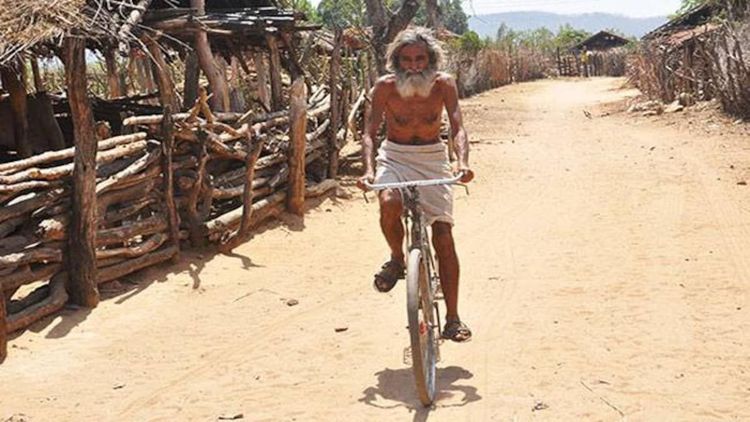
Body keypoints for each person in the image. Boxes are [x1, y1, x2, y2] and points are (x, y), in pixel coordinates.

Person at [356, 27, 474, 342]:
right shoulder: (385, 87)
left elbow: (458, 127)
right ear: (396, 61)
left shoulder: (444, 84)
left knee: (443, 236)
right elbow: (369, 132)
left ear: (430, 59)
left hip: (433, 158)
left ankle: (453, 318)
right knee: (389, 203)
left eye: (420, 59)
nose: (413, 66)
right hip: (395, 156)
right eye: (406, 60)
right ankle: (397, 259)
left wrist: (461, 163)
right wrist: (368, 170)